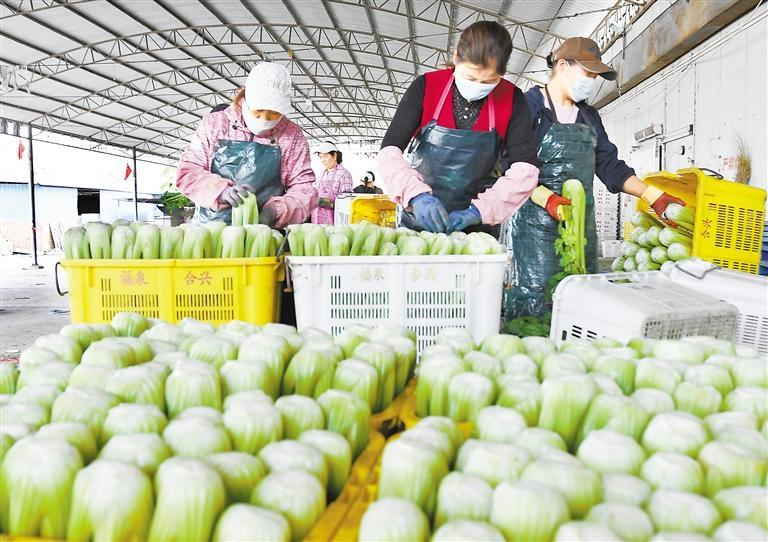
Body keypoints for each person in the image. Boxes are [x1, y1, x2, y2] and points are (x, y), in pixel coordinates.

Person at [505, 37, 687, 319]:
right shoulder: (528, 107)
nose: (591, 81)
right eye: (587, 73)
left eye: (594, 76)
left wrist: (653, 195)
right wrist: (546, 198)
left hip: (580, 227)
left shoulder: (588, 116)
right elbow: (509, 163)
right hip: (534, 229)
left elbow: (609, 166)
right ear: (562, 66)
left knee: (579, 302)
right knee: (537, 303)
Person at [376, 21, 539, 235]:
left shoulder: (512, 99)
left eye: (489, 81)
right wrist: (416, 195)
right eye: (471, 77)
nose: (478, 86)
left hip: (478, 228)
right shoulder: (426, 87)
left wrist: (481, 210)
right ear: (455, 57)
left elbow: (525, 169)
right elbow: (389, 152)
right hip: (418, 220)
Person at [175, 62, 317, 228]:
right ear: (244, 98)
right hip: (210, 230)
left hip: (265, 232)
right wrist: (220, 191)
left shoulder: (292, 136)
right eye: (258, 111)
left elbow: (304, 188)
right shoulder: (215, 124)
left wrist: (275, 211)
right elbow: (188, 171)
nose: (264, 119)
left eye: (274, 114)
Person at [311, 142, 353, 224]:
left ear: (335, 156)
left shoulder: (344, 174)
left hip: (333, 223)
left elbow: (347, 204)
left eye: (325, 156)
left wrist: (322, 202)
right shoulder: (321, 174)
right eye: (320, 157)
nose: (322, 160)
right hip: (316, 222)